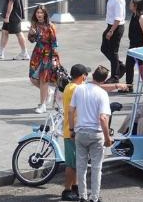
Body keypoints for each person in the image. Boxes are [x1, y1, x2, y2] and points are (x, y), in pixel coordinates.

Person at [69, 65, 114, 202]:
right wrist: (107, 138)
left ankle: (82, 196)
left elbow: (71, 111)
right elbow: (103, 118)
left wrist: (72, 130)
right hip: (96, 134)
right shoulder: (102, 94)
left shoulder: (79, 89)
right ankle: (94, 197)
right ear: (104, 80)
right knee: (96, 168)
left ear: (92, 75)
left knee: (81, 167)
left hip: (81, 132)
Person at [60, 64, 89, 202]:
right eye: (85, 75)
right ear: (82, 76)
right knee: (71, 164)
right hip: (71, 131)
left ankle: (75, 187)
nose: (86, 77)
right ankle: (66, 190)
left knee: (77, 162)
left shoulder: (69, 87)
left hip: (73, 130)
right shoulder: (75, 89)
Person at [28, 5, 62, 113]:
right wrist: (31, 34)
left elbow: (54, 43)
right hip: (37, 54)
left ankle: (42, 105)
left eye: (41, 13)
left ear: (45, 14)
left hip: (48, 54)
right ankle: (48, 92)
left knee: (44, 79)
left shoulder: (50, 26)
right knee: (33, 79)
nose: (39, 15)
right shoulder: (34, 25)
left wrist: (55, 60)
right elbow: (32, 40)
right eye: (37, 13)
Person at [100, 0, 126, 82]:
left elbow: (118, 18)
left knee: (113, 51)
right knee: (104, 49)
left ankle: (115, 76)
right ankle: (120, 65)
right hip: (110, 25)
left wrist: (111, 31)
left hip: (115, 27)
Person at [125, 0, 143, 88]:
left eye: (131, 3)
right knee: (129, 65)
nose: (129, 4)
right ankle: (129, 86)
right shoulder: (134, 15)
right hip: (133, 46)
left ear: (135, 5)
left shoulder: (142, 17)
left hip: (140, 47)